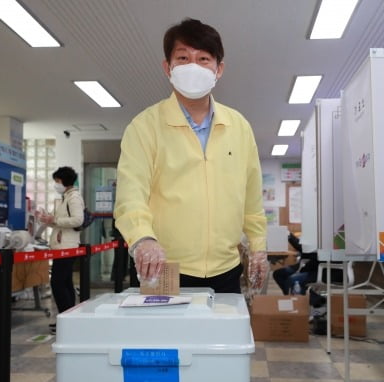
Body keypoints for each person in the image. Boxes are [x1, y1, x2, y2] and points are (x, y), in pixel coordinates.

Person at [114, 18, 268, 294]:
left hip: (226, 268)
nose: (193, 67)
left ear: (219, 69)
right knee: (165, 338)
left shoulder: (239, 127)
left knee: (219, 338)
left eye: (204, 59)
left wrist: (258, 248)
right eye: (183, 58)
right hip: (163, 267)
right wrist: (143, 239)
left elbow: (252, 200)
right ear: (168, 68)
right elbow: (130, 196)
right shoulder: (145, 126)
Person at [37, 167, 84, 332]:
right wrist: (47, 219)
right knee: (65, 283)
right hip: (61, 245)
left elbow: (78, 220)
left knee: (57, 283)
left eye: (57, 181)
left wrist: (54, 219)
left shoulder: (74, 198)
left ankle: (65, 320)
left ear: (64, 181)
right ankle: (69, 318)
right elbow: (59, 222)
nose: (56, 185)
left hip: (67, 246)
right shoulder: (65, 198)